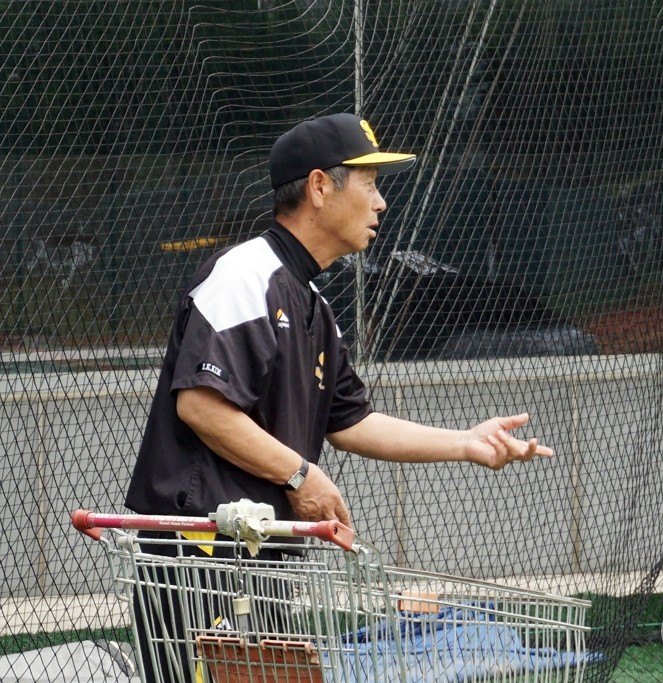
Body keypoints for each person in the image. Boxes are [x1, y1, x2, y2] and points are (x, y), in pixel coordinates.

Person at [123, 112, 552, 682]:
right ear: (321, 187)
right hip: (203, 556)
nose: (381, 204)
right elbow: (201, 406)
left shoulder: (313, 304)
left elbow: (352, 420)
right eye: (370, 183)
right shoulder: (244, 275)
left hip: (261, 555)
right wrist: (303, 476)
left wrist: (466, 443)